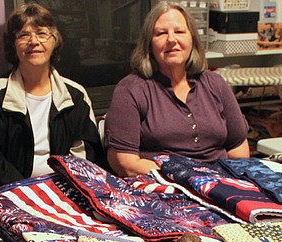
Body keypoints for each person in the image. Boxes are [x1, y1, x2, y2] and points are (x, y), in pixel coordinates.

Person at [0, 2, 105, 191]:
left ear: (54, 41)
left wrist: (60, 189)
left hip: (66, 189)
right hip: (11, 192)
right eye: (23, 35)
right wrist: (29, 191)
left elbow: (87, 154)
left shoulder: (76, 95)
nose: (34, 41)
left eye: (42, 33)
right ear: (13, 44)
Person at [104, 2, 250, 177]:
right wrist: (188, 179)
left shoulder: (216, 84)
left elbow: (238, 149)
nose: (172, 40)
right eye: (161, 33)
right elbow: (125, 164)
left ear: (193, 39)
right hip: (162, 185)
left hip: (222, 183)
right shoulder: (130, 90)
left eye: (179, 32)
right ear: (149, 44)